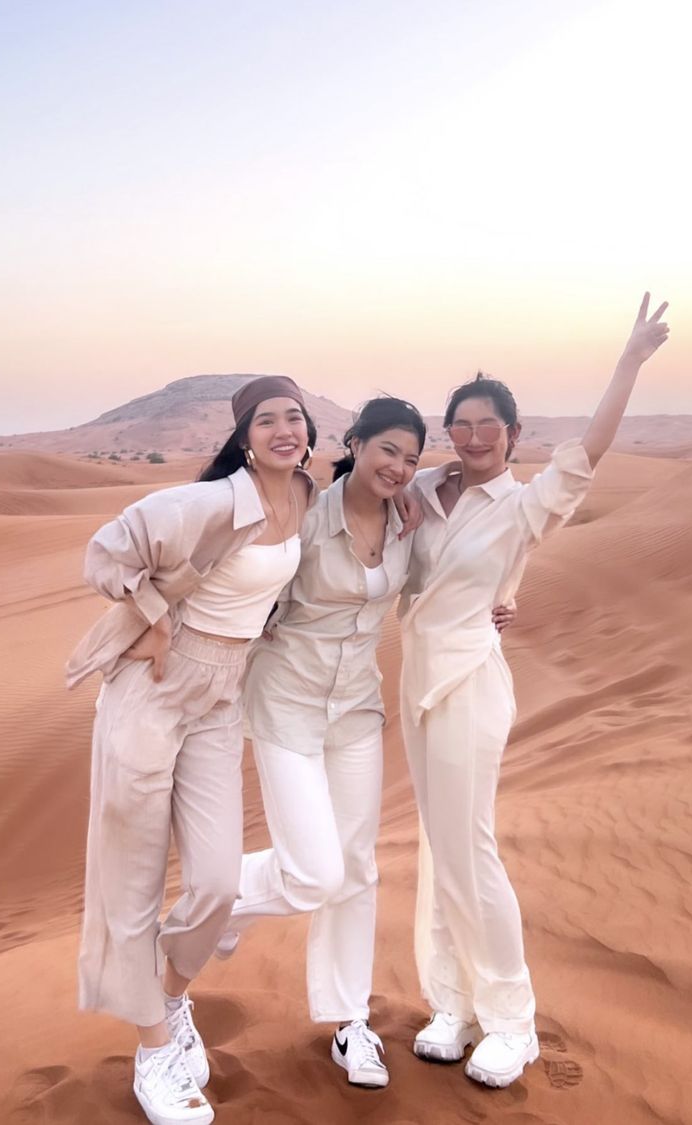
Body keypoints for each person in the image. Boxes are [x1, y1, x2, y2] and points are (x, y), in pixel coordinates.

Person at [400, 294, 669, 1089]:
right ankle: (452, 1002)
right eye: (462, 424)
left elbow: (587, 451)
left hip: (471, 680)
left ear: (512, 435)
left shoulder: (523, 505)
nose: (475, 437)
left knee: (469, 845)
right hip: (415, 680)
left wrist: (626, 361)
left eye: (489, 426)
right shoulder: (419, 491)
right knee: (436, 845)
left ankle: (511, 1020)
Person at [215, 397, 514, 1089]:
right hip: (285, 700)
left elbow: (473, 548)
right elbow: (243, 575)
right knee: (312, 868)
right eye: (386, 450)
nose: (399, 466)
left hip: (354, 707)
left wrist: (507, 598)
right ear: (353, 442)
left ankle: (350, 1021)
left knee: (356, 866)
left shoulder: (410, 518)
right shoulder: (303, 512)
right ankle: (218, 892)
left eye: (410, 457)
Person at [66, 376, 316, 1125]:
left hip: (220, 697)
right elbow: (105, 551)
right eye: (266, 420)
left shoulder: (305, 495)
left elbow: (380, 492)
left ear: (308, 431)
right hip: (154, 689)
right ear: (243, 438)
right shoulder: (209, 502)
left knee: (212, 880)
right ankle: (152, 1053)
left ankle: (170, 999)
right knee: (131, 876)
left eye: (294, 417)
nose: (282, 429)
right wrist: (152, 614)